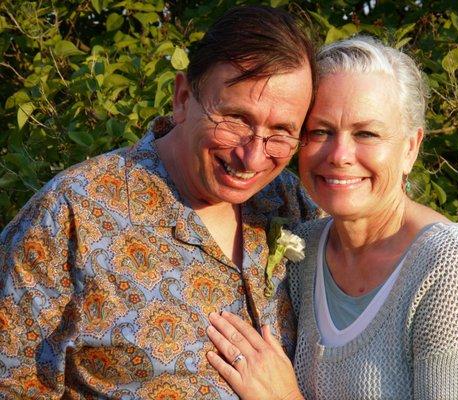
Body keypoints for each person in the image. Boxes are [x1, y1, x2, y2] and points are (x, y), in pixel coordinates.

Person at [0, 6, 322, 398]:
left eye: (282, 131)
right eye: (236, 119)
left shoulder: (294, 204)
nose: (253, 157)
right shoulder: (73, 213)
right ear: (183, 98)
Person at [206, 36, 458, 399]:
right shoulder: (304, 250)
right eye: (321, 131)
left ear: (410, 148)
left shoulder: (453, 268)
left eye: (367, 133)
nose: (340, 155)